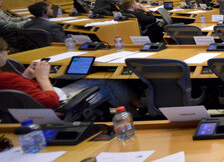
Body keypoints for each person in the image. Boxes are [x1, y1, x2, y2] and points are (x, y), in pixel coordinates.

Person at [0, 37, 138, 109]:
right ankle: (133, 113)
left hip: (30, 105)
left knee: (95, 79)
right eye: (6, 51)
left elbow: (20, 91)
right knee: (107, 82)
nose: (8, 53)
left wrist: (25, 77)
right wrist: (42, 78)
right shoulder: (6, 77)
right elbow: (51, 101)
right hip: (56, 105)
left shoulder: (6, 77)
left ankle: (135, 106)